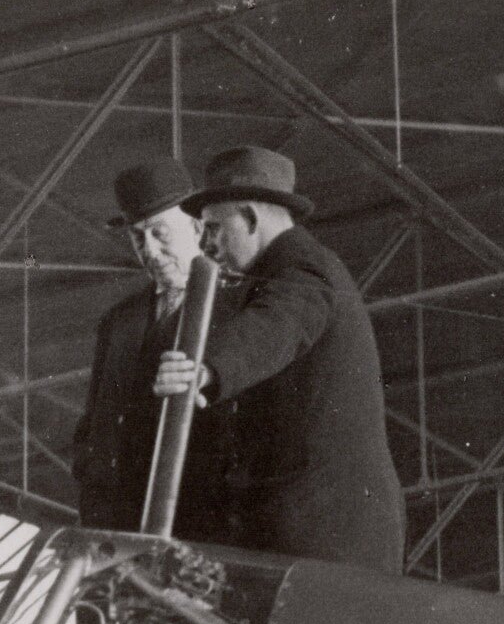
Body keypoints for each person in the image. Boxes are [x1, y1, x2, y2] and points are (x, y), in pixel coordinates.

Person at [155, 145, 405, 575]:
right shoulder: (285, 271)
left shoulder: (304, 269)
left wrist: (208, 367)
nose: (207, 246)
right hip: (324, 534)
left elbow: (279, 323)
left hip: (324, 538)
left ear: (250, 218)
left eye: (213, 229)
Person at [70, 159, 236, 544]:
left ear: (198, 228)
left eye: (160, 234)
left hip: (195, 528)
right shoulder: (118, 322)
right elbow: (94, 421)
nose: (150, 251)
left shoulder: (237, 313)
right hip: (112, 525)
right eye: (138, 238)